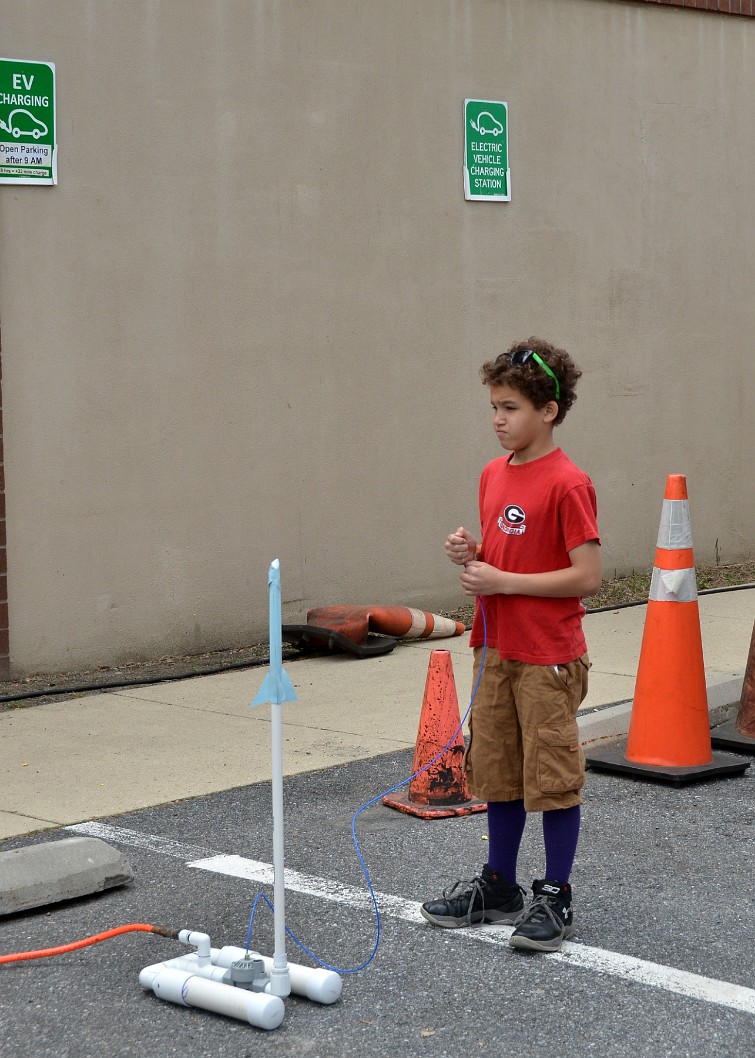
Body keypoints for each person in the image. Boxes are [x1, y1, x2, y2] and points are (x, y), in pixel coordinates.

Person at [420, 337, 601, 953]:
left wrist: (504, 580)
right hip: (494, 648)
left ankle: (555, 892)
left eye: (511, 408)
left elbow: (587, 575)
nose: (499, 420)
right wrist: (472, 557)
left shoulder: (569, 483)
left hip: (547, 656)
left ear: (548, 410)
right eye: (493, 408)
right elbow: (504, 557)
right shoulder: (493, 474)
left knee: (550, 776)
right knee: (496, 770)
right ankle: (499, 885)